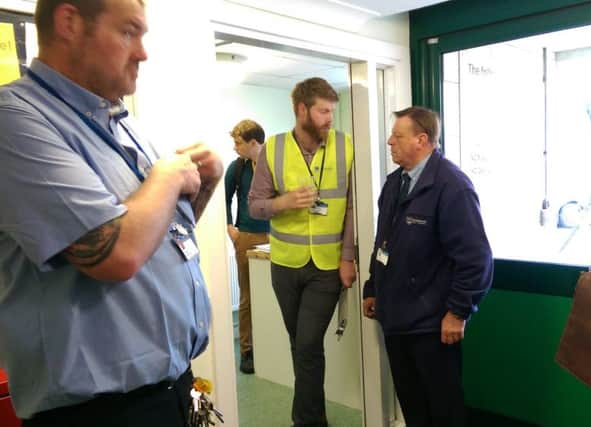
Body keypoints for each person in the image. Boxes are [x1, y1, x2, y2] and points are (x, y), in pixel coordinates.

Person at [0, 1, 224, 426]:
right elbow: (114, 253)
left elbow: (160, 237)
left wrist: (205, 182)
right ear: (69, 22)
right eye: (128, 32)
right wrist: (168, 175)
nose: (142, 52)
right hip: (100, 414)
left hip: (172, 391)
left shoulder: (119, 122)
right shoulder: (15, 118)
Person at [362, 107, 493, 427]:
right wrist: (372, 287)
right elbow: (384, 240)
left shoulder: (452, 186)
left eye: (398, 136)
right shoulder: (395, 183)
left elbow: (476, 258)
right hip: (395, 319)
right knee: (413, 405)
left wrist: (458, 311)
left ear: (422, 140)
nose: (389, 142)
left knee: (443, 409)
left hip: (432, 325)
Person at [248, 77, 356, 427]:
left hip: (326, 267)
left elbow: (353, 207)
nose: (329, 119)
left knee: (308, 344)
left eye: (332, 112)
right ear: (301, 110)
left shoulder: (346, 146)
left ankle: (306, 422)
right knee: (300, 345)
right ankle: (313, 416)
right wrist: (283, 202)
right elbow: (254, 206)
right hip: (285, 265)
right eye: (324, 111)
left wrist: (347, 257)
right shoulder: (274, 148)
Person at [224, 119, 270, 374]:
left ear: (254, 143)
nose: (235, 147)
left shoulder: (275, 163)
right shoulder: (237, 168)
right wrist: (230, 226)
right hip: (248, 236)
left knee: (279, 293)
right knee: (248, 297)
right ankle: (247, 350)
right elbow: (223, 198)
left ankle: (274, 346)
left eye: (238, 142)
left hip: (277, 237)